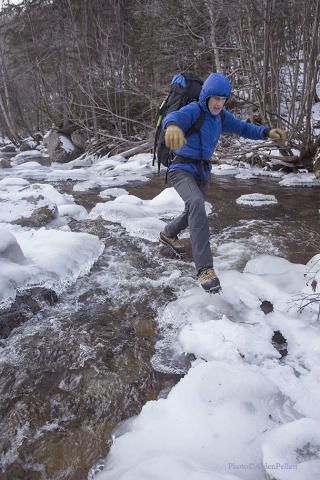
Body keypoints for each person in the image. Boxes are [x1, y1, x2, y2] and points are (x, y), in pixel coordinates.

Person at [159, 72, 286, 293]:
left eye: (223, 99)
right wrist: (171, 128)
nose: (219, 103)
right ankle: (205, 269)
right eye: (215, 98)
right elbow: (174, 118)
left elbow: (244, 128)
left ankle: (168, 233)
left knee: (193, 208)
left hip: (201, 172)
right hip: (180, 169)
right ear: (206, 96)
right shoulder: (194, 110)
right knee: (197, 204)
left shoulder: (221, 117)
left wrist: (266, 132)